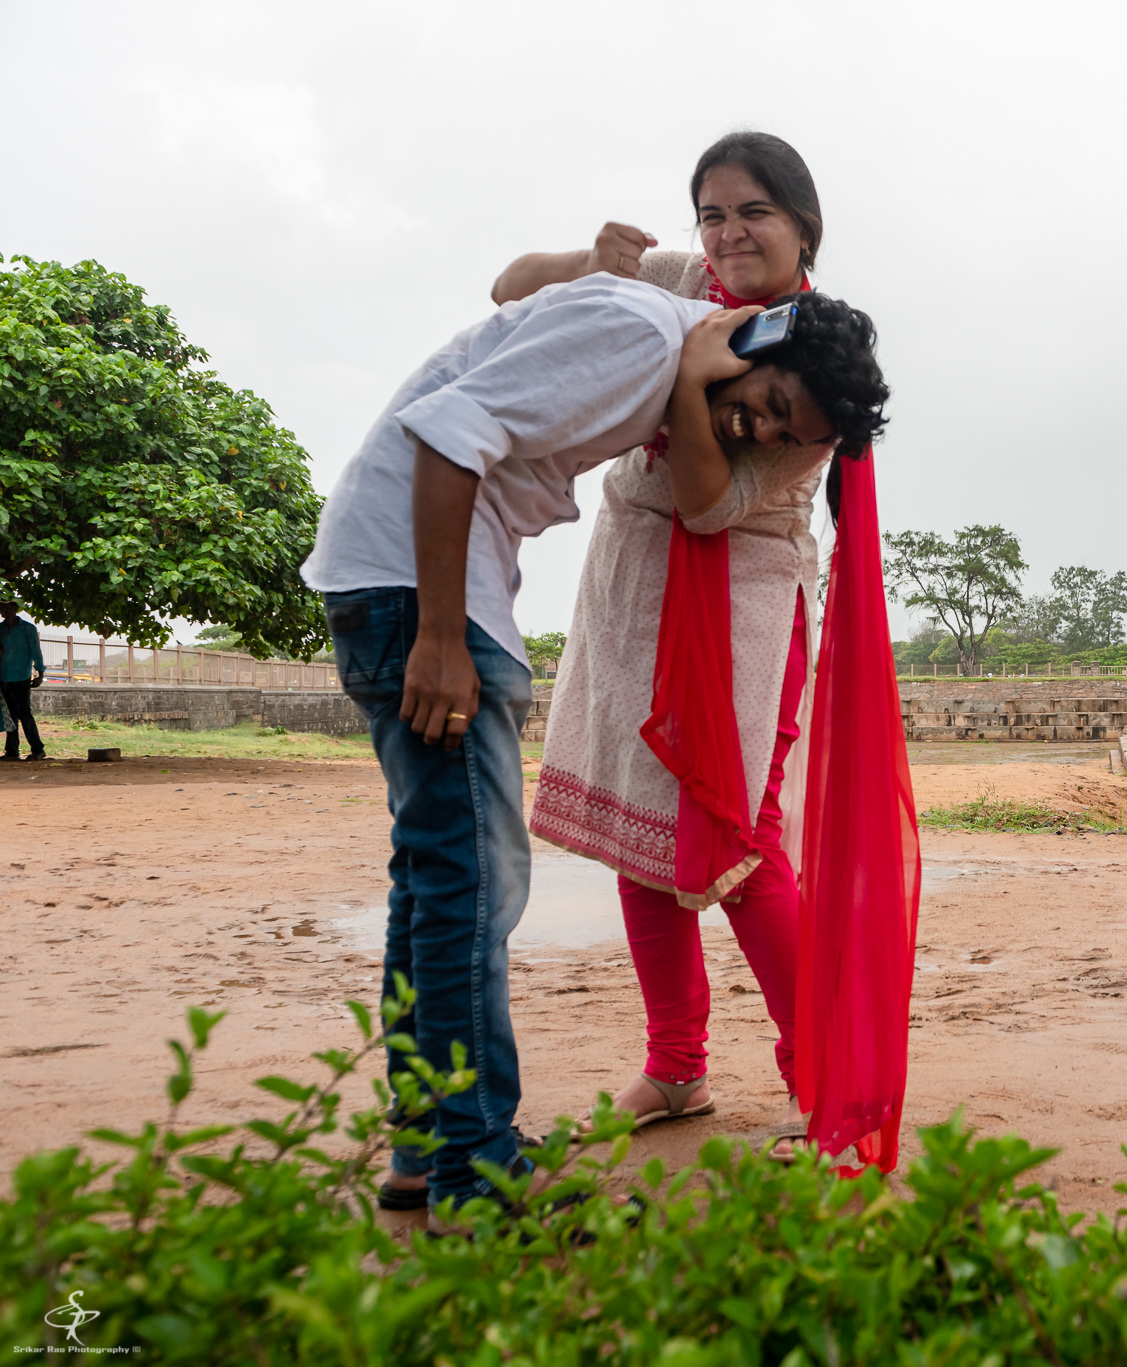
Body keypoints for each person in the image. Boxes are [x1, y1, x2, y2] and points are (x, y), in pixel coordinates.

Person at [300, 258, 886, 1217]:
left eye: (788, 428)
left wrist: (703, 390)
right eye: (771, 405)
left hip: (421, 583)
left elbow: (701, 497)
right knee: (469, 889)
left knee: (445, 884)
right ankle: (477, 1168)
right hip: (429, 592)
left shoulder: (672, 351)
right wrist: (442, 636)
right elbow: (453, 429)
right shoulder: (648, 332)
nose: (766, 432)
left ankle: (435, 1147)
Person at [499, 132, 917, 1169]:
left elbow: (707, 503)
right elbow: (509, 290)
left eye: (754, 215)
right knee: (641, 826)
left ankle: (821, 1079)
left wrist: (690, 377)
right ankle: (675, 1061)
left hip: (738, 588)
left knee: (737, 837)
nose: (729, 236)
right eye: (713, 214)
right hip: (632, 573)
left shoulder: (817, 369)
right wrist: (584, 262)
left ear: (803, 227)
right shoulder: (677, 278)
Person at [0, 600, 47, 761]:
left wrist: (40, 673)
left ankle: (37, 749)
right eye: (1, 608)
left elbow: (36, 651)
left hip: (22, 677)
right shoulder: (0, 630)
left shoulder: (28, 629)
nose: (3, 611)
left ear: (14, 608)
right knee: (9, 716)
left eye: (6, 607)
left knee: (24, 714)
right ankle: (12, 751)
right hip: (4, 677)